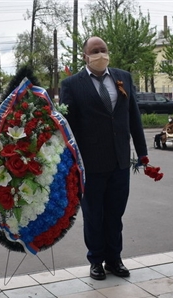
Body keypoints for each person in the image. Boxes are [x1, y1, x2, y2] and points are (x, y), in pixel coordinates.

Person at [60, 36, 148, 280]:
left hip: (120, 160)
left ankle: (114, 259)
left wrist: (142, 152)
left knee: (115, 213)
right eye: (95, 51)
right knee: (94, 215)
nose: (100, 54)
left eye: (104, 50)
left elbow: (133, 117)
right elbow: (69, 126)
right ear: (85, 56)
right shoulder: (72, 84)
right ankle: (96, 259)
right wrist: (70, 162)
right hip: (90, 163)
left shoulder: (123, 77)